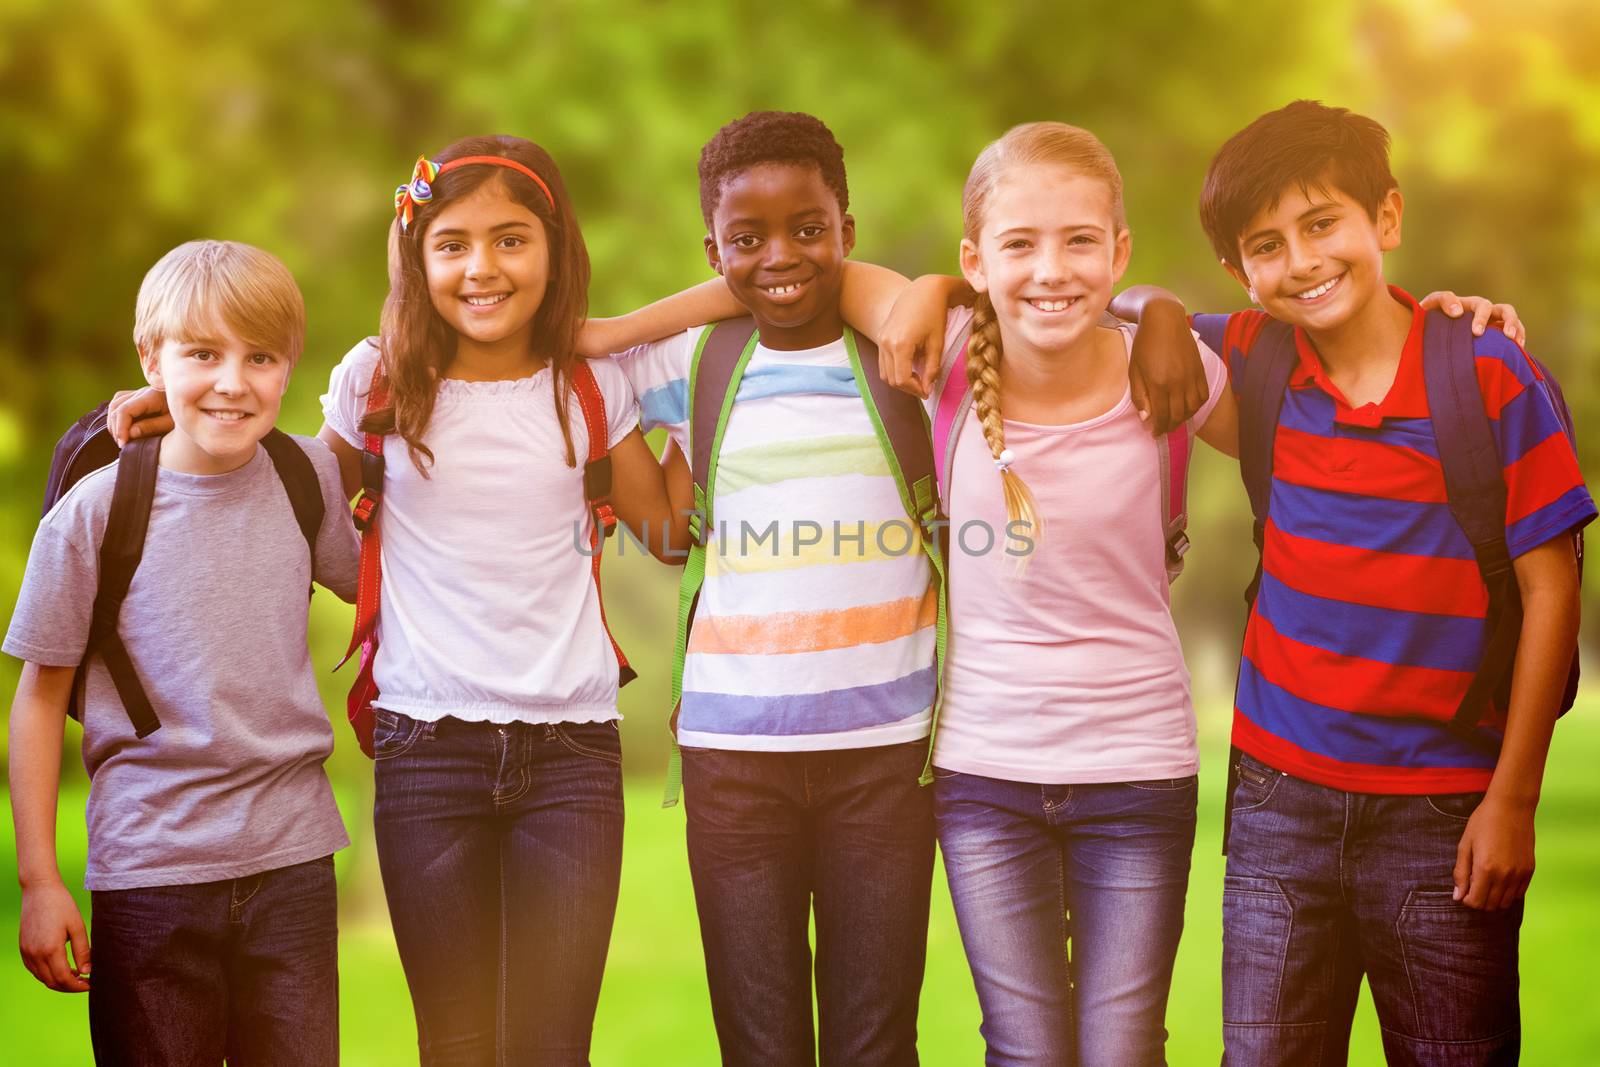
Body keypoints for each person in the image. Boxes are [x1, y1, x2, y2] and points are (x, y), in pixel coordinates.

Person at [606, 110, 1213, 1067]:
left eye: (810, 229)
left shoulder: (905, 357)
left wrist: (1161, 306)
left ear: (847, 230)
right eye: (745, 239)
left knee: (879, 1039)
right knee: (759, 1040)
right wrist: (604, 346)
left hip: (890, 756)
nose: (780, 257)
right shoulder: (697, 362)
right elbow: (654, 504)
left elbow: (981, 298)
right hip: (734, 754)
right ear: (712, 248)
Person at [1190, 100, 1594, 1066]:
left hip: (1447, 818)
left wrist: (1514, 802)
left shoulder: (1493, 376)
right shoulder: (1250, 361)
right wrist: (1159, 311)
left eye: (1323, 223)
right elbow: (1072, 313)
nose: (1303, 259)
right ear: (1239, 273)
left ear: (1388, 219)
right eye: (1267, 244)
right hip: (1278, 811)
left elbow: (1553, 596)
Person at [6, 239, 358, 1066]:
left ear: (288, 365)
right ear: (150, 358)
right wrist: (39, 882)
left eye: (260, 357)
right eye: (203, 354)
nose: (234, 381)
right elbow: (37, 698)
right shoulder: (95, 514)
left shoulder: (306, 475)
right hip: (150, 875)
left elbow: (387, 582)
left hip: (293, 863)